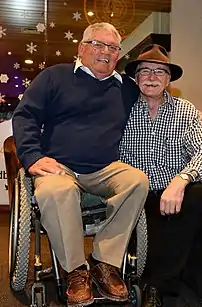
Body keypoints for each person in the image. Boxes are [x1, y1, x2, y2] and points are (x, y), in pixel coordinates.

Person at [12, 23, 149, 306]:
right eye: (98, 44)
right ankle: (75, 270)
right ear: (82, 47)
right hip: (60, 167)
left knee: (137, 181)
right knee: (55, 191)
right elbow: (25, 116)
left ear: (118, 55)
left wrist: (191, 112)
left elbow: (157, 96)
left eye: (112, 48)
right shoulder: (55, 77)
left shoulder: (126, 88)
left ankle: (104, 263)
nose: (106, 52)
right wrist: (32, 157)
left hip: (105, 168)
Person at [119, 44, 202, 306]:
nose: (152, 77)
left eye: (160, 72)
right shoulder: (122, 110)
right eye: (145, 71)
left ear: (169, 79)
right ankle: (154, 284)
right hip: (135, 192)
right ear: (136, 77)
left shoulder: (185, 111)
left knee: (195, 194)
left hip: (173, 193)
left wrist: (181, 179)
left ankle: (156, 287)